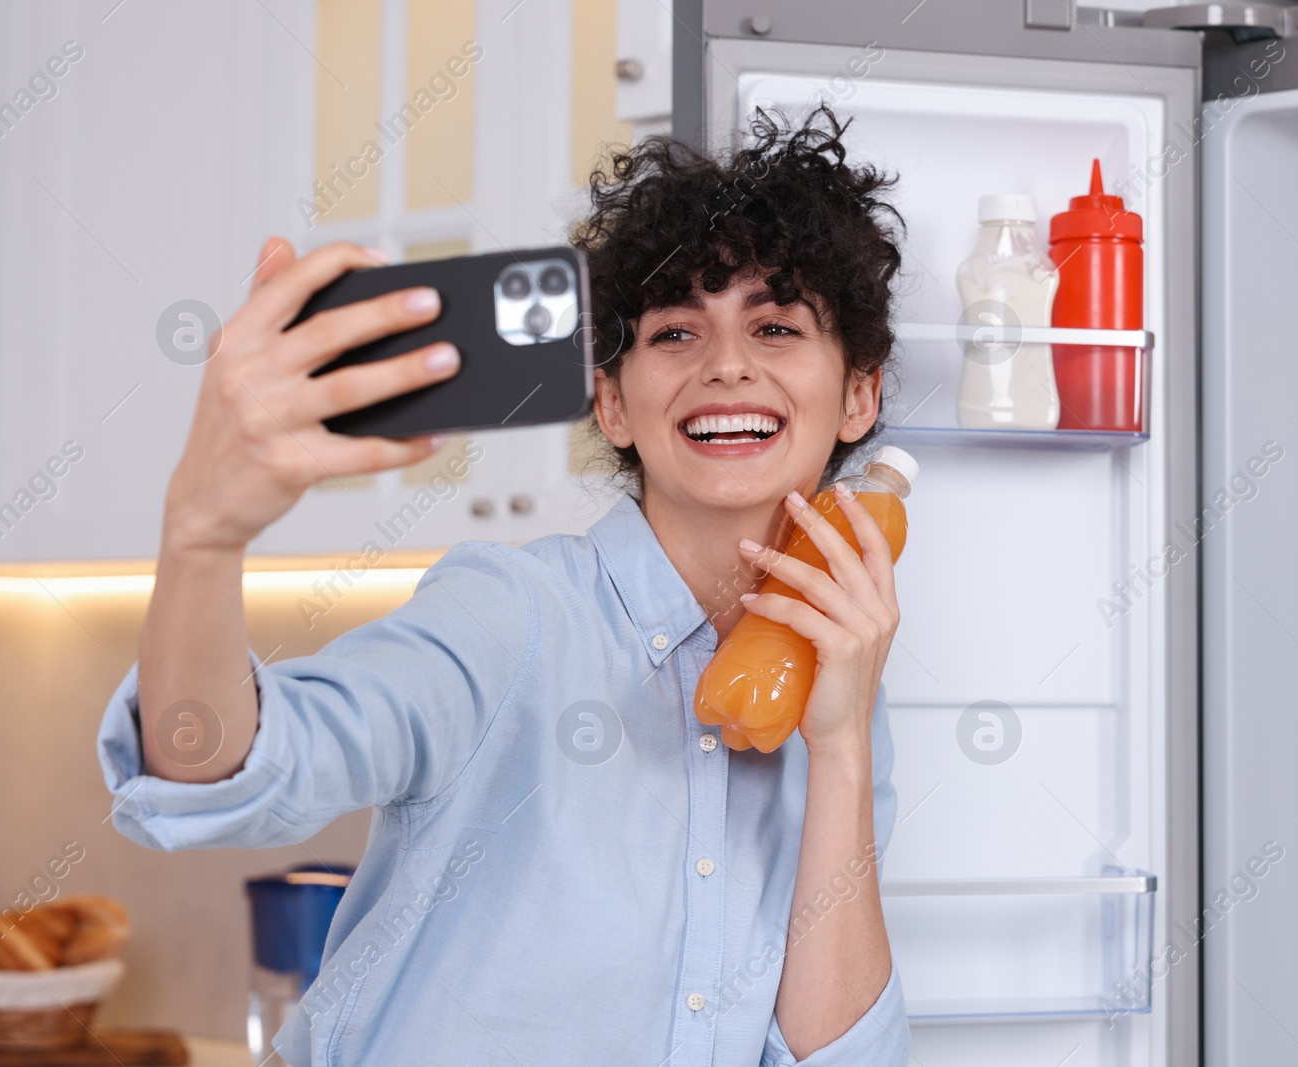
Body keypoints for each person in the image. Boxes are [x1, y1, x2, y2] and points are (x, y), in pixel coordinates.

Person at [96, 106, 912, 1066]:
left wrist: (844, 743)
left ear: (858, 393)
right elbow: (211, 770)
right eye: (675, 332)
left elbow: (836, 1055)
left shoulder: (841, 677)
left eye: (776, 326)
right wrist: (202, 532)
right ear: (612, 402)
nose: (727, 363)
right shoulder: (510, 616)